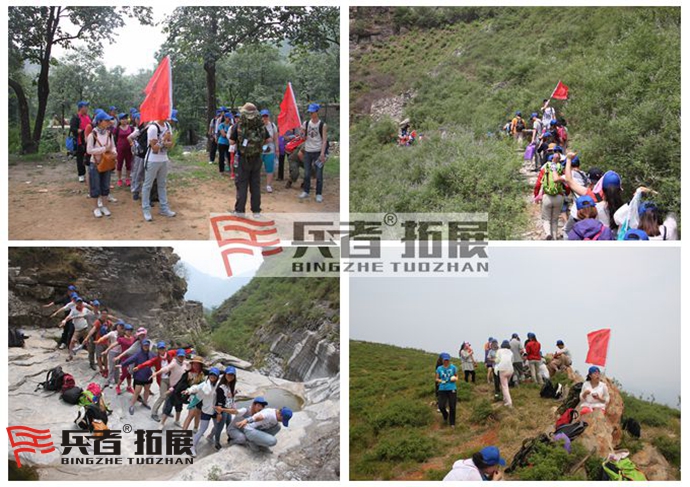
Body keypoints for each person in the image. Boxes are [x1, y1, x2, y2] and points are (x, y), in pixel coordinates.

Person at [564, 153, 624, 238]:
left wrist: (569, 159)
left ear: (602, 188)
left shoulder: (593, 197)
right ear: (620, 189)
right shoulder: (624, 209)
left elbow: (569, 181)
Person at [231, 103, 271, 217]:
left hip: (243, 159)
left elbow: (232, 142)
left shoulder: (239, 125)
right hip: (257, 158)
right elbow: (268, 139)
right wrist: (258, 144)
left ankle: (240, 211)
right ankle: (256, 211)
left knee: (242, 185)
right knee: (255, 185)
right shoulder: (260, 125)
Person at [142, 116, 176, 222]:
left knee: (162, 184)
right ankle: (146, 209)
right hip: (152, 160)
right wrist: (164, 140)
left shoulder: (167, 126)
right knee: (148, 185)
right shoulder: (153, 128)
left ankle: (164, 208)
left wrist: (164, 142)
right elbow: (154, 148)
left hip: (163, 159)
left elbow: (171, 144)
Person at [86, 111, 117, 218]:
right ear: (99, 121)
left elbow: (113, 146)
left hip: (106, 163)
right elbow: (89, 150)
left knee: (105, 185)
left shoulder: (109, 133)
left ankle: (104, 206)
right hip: (96, 163)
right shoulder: (92, 135)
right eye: (106, 120)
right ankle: (96, 207)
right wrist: (104, 149)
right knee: (95, 186)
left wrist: (114, 152)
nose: (108, 122)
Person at [184, 367, 221, 456]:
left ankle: (210, 437)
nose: (212, 376)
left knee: (218, 427)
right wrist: (188, 391)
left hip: (215, 410)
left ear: (217, 377)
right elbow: (195, 388)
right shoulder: (204, 385)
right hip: (206, 410)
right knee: (202, 429)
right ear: (209, 375)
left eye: (214, 375)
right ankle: (192, 447)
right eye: (211, 374)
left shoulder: (218, 385)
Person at [138, 341, 176, 422]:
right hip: (162, 379)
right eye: (160, 349)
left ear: (165, 348)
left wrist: (190, 350)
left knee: (169, 396)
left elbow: (180, 351)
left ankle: (166, 411)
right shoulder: (156, 359)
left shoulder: (170, 354)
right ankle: (154, 413)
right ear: (158, 350)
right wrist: (139, 367)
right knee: (163, 396)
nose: (162, 350)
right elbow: (148, 362)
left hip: (171, 378)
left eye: (163, 348)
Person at [534, 152, 568, 239]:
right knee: (555, 219)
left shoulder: (545, 169)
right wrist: (566, 193)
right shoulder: (561, 169)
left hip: (547, 196)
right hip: (559, 196)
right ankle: (554, 238)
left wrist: (536, 195)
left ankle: (548, 233)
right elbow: (567, 185)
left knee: (546, 219)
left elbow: (538, 184)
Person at [298, 103, 328, 203]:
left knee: (319, 174)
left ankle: (318, 193)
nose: (311, 114)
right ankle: (306, 191)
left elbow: (324, 140)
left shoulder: (322, 125)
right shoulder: (306, 123)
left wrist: (322, 153)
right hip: (308, 151)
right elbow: (302, 137)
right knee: (307, 173)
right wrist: (302, 133)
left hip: (318, 151)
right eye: (310, 112)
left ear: (317, 112)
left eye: (312, 112)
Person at [154, 349, 188, 429]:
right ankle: (162, 423)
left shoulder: (185, 363)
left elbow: (193, 366)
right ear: (176, 356)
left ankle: (177, 421)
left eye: (182, 356)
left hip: (181, 389)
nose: (181, 358)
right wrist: (156, 373)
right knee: (168, 406)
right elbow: (166, 368)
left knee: (179, 406)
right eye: (180, 356)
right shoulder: (174, 363)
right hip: (173, 389)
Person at [124, 339, 156, 415]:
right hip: (139, 376)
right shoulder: (138, 354)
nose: (146, 347)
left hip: (148, 375)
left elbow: (157, 360)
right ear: (142, 346)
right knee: (137, 392)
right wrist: (123, 364)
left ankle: (145, 402)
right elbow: (130, 360)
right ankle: (131, 405)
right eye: (145, 345)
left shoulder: (151, 354)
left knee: (147, 390)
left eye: (147, 345)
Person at [102, 323, 136, 395]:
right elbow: (113, 344)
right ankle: (118, 386)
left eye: (130, 331)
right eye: (128, 330)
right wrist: (107, 350)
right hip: (124, 358)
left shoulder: (133, 338)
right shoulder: (121, 339)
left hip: (131, 358)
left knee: (129, 373)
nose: (129, 332)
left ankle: (129, 386)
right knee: (124, 373)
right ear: (125, 331)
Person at [61, 298, 94, 362]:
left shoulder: (85, 309)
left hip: (85, 328)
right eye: (78, 303)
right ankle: (70, 355)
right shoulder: (73, 310)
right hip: (78, 329)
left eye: (80, 302)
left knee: (88, 342)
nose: (79, 304)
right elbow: (69, 317)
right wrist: (64, 321)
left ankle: (91, 356)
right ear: (76, 303)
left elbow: (92, 313)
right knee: (72, 341)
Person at [213, 366, 238, 450]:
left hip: (228, 409)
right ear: (225, 375)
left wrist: (234, 393)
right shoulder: (221, 387)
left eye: (232, 375)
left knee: (229, 425)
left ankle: (230, 438)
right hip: (222, 410)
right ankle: (216, 443)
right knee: (219, 427)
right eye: (228, 374)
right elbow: (219, 401)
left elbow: (229, 397)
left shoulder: (230, 385)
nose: (230, 376)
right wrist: (219, 413)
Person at [96, 320, 125, 385]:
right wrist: (99, 340)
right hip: (113, 351)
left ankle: (117, 380)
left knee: (117, 367)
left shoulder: (124, 334)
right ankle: (109, 381)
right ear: (117, 326)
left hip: (120, 352)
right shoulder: (113, 333)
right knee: (112, 367)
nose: (121, 327)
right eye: (120, 326)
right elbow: (105, 336)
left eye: (122, 326)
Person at [69, 101, 91, 182]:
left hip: (89, 140)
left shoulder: (88, 117)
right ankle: (81, 174)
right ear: (81, 108)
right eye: (85, 107)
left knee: (89, 156)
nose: (87, 108)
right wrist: (80, 131)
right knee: (80, 158)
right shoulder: (76, 117)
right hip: (80, 140)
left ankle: (90, 173)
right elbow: (73, 128)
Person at [435, 352, 458, 427]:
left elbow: (456, 376)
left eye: (447, 360)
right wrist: (441, 381)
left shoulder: (453, 367)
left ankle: (452, 423)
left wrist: (455, 379)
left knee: (452, 406)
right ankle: (445, 415)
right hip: (442, 389)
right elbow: (436, 379)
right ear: (442, 360)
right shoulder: (439, 368)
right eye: (445, 360)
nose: (446, 361)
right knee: (441, 406)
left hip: (452, 388)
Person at [260, 109, 279, 193]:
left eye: (266, 116)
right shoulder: (258, 126)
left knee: (269, 168)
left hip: (270, 150)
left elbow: (275, 138)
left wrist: (277, 149)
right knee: (257, 167)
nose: (264, 118)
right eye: (263, 116)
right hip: (259, 150)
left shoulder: (272, 126)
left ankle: (268, 185)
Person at [113, 113, 134, 188]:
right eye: (122, 119)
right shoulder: (117, 129)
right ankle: (119, 179)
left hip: (129, 149)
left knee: (128, 164)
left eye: (125, 119)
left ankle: (127, 178)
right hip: (120, 149)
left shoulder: (131, 128)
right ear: (120, 120)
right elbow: (114, 137)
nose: (124, 120)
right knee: (119, 164)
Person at [495, 341, 514, 408]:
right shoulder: (510, 352)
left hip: (503, 369)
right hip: (510, 370)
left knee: (504, 386)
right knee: (506, 385)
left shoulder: (499, 351)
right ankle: (505, 399)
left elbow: (497, 360)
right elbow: (512, 361)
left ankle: (509, 402)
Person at [216, 111, 232, 175]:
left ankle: (230, 169)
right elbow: (223, 134)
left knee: (229, 156)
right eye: (228, 118)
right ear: (225, 118)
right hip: (221, 143)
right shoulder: (221, 125)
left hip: (229, 143)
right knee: (222, 157)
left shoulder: (231, 125)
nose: (229, 119)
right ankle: (221, 170)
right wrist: (229, 135)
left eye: (230, 118)